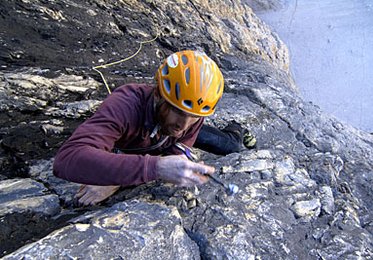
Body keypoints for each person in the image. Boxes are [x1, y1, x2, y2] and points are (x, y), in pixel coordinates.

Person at [53, 50, 253, 206]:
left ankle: (236, 129)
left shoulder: (191, 117)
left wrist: (117, 182)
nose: (183, 125)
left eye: (195, 116)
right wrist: (154, 167)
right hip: (150, 131)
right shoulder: (125, 106)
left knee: (232, 146)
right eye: (178, 111)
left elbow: (172, 155)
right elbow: (67, 159)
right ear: (158, 94)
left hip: (163, 133)